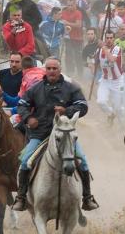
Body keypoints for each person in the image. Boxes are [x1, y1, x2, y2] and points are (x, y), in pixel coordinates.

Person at [13, 57, 97, 212]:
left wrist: (67, 111)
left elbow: (83, 105)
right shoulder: (35, 88)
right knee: (25, 161)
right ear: (45, 70)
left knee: (83, 161)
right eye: (49, 68)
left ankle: (87, 198)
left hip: (65, 134)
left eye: (55, 68)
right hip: (39, 134)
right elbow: (22, 105)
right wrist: (29, 118)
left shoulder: (71, 88)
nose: (51, 71)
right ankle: (21, 197)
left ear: (60, 70)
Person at [95, 31, 125, 125]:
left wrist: (103, 47)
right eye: (107, 38)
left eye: (111, 38)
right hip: (105, 80)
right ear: (105, 39)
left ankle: (122, 124)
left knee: (118, 107)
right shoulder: (99, 50)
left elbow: (112, 59)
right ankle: (110, 114)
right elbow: (95, 63)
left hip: (118, 81)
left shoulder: (117, 49)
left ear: (114, 39)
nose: (109, 40)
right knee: (100, 102)